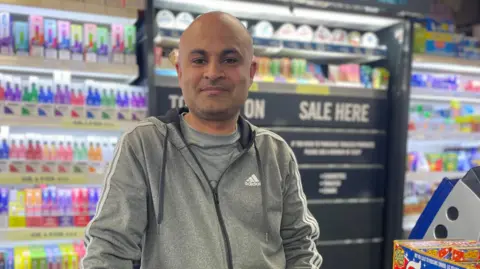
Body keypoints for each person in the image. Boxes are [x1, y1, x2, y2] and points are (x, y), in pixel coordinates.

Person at [81, 11, 322, 269]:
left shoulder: (274, 153)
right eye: (199, 60)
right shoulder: (144, 146)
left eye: (229, 59)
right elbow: (108, 252)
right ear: (180, 71)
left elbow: (299, 246)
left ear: (251, 71)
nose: (213, 72)